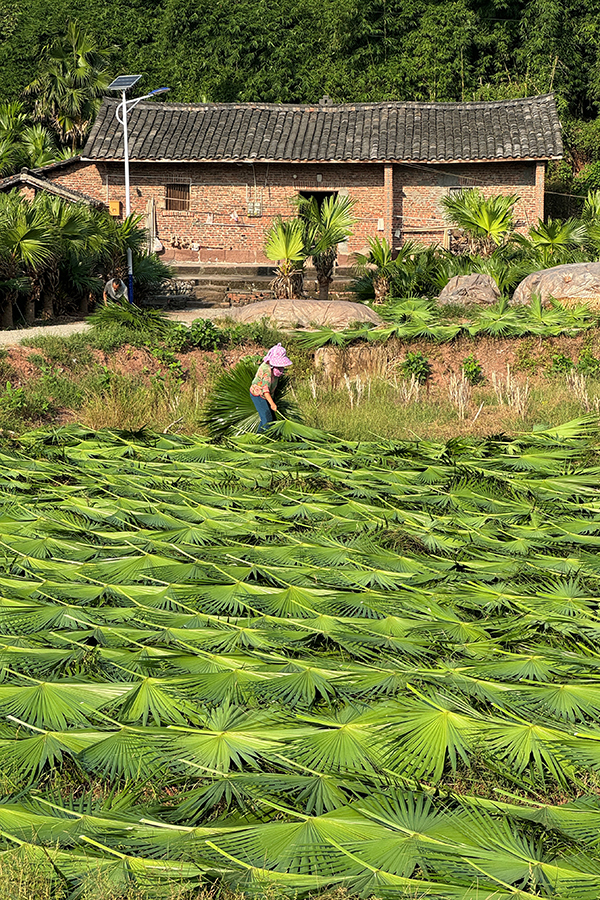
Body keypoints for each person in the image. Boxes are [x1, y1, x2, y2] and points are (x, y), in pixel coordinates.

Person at [250, 343, 292, 432]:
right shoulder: (266, 370)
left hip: (268, 395)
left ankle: (257, 436)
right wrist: (272, 404)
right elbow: (265, 391)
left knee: (268, 418)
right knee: (267, 420)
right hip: (259, 395)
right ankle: (262, 439)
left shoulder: (276, 369)